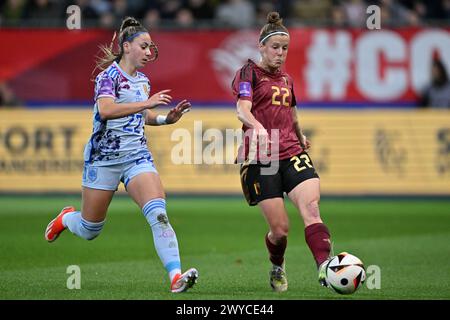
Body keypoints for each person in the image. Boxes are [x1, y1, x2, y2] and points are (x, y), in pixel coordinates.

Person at [44, 16, 198, 293]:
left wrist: (165, 119)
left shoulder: (142, 81)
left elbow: (143, 115)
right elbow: (106, 110)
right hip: (103, 159)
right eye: (144, 46)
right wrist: (146, 103)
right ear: (126, 46)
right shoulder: (108, 77)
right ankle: (66, 219)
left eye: (151, 48)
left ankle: (176, 277)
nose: (149, 53)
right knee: (90, 230)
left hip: (137, 157)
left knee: (159, 215)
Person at [232, 11, 333, 292]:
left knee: (312, 209)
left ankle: (325, 266)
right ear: (261, 47)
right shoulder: (248, 73)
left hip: (291, 152)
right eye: (275, 47)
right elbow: (242, 109)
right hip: (261, 159)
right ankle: (277, 264)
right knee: (280, 231)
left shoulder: (287, 80)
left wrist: (301, 135)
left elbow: (293, 113)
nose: (280, 53)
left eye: (285, 48)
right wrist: (257, 127)